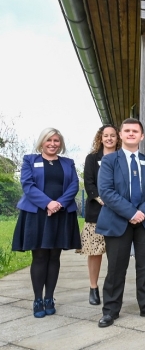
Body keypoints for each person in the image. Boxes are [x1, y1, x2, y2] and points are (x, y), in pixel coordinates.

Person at [96, 118, 145, 328]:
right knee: (116, 268)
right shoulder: (109, 161)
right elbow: (106, 191)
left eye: (135, 131)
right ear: (120, 135)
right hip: (118, 221)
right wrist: (131, 212)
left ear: (142, 136)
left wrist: (142, 212)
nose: (131, 134)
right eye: (127, 131)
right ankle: (110, 310)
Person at [13, 128, 81, 318]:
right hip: (37, 214)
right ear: (42, 142)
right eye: (49, 140)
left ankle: (49, 298)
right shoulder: (30, 160)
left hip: (61, 213)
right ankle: (37, 300)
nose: (53, 144)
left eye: (56, 141)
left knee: (54, 257)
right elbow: (27, 185)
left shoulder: (68, 163)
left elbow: (74, 185)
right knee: (40, 257)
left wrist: (58, 204)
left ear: (61, 144)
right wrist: (47, 203)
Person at [79, 125, 120, 306]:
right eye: (106, 136)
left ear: (117, 138)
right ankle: (93, 287)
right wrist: (104, 200)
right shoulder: (92, 159)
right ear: (100, 138)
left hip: (118, 214)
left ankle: (111, 289)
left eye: (112, 135)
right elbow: (89, 184)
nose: (109, 138)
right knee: (95, 253)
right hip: (97, 212)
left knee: (116, 254)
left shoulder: (121, 158)